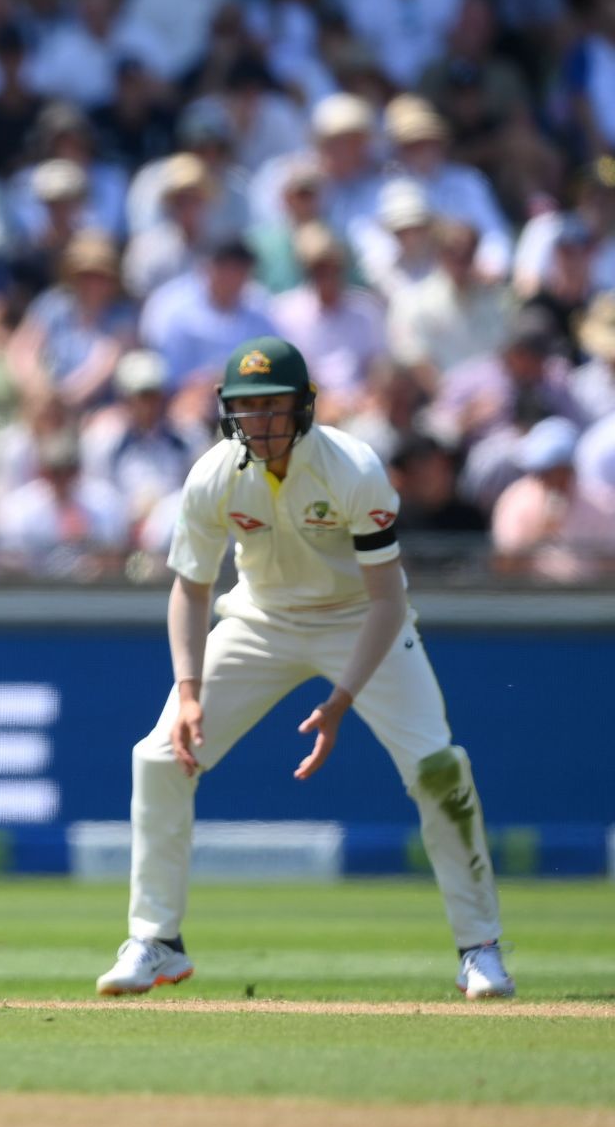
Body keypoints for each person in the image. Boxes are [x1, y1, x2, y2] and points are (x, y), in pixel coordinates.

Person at [95, 336, 513, 1001]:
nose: (259, 422)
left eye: (273, 407)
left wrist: (342, 698)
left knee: (438, 768)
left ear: (304, 408)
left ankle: (480, 946)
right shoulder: (213, 473)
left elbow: (387, 598)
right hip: (261, 622)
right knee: (158, 756)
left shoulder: (353, 467)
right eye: (245, 408)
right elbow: (191, 588)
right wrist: (190, 690)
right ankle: (156, 942)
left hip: (361, 621)